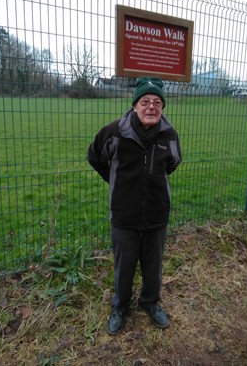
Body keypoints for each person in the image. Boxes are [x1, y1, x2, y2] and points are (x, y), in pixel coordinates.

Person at [87, 76, 182, 335]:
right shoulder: (115, 132)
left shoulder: (169, 135)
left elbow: (173, 163)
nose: (151, 107)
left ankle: (150, 303)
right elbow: (94, 156)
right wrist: (114, 179)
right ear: (135, 105)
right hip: (124, 216)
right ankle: (120, 307)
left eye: (157, 102)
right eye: (145, 101)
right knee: (124, 266)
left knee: (153, 265)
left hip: (156, 216)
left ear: (162, 107)